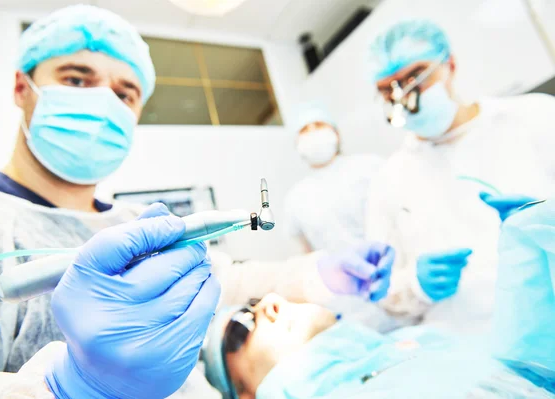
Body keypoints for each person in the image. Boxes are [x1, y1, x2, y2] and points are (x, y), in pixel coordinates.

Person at [0, 5, 395, 397]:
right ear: (21, 87)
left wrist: (315, 275)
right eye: (76, 79)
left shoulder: (130, 224)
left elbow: (230, 281)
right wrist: (71, 390)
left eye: (124, 93)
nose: (103, 102)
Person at [202, 199, 555, 398]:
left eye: (256, 299)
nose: (269, 303)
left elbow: (527, 368)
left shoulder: (408, 345)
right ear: (243, 394)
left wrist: (525, 245)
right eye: (241, 327)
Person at [364, 20, 555, 333]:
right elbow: (381, 287)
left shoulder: (537, 118)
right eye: (387, 90)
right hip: (469, 356)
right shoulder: (389, 181)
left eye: (415, 77)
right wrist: (415, 286)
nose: (404, 97)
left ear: (449, 65)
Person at [284, 103, 384, 253]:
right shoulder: (295, 197)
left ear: (336, 134)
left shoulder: (370, 166)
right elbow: (305, 252)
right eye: (304, 130)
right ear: (297, 144)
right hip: (338, 275)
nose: (312, 133)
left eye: (318, 125)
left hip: (391, 264)